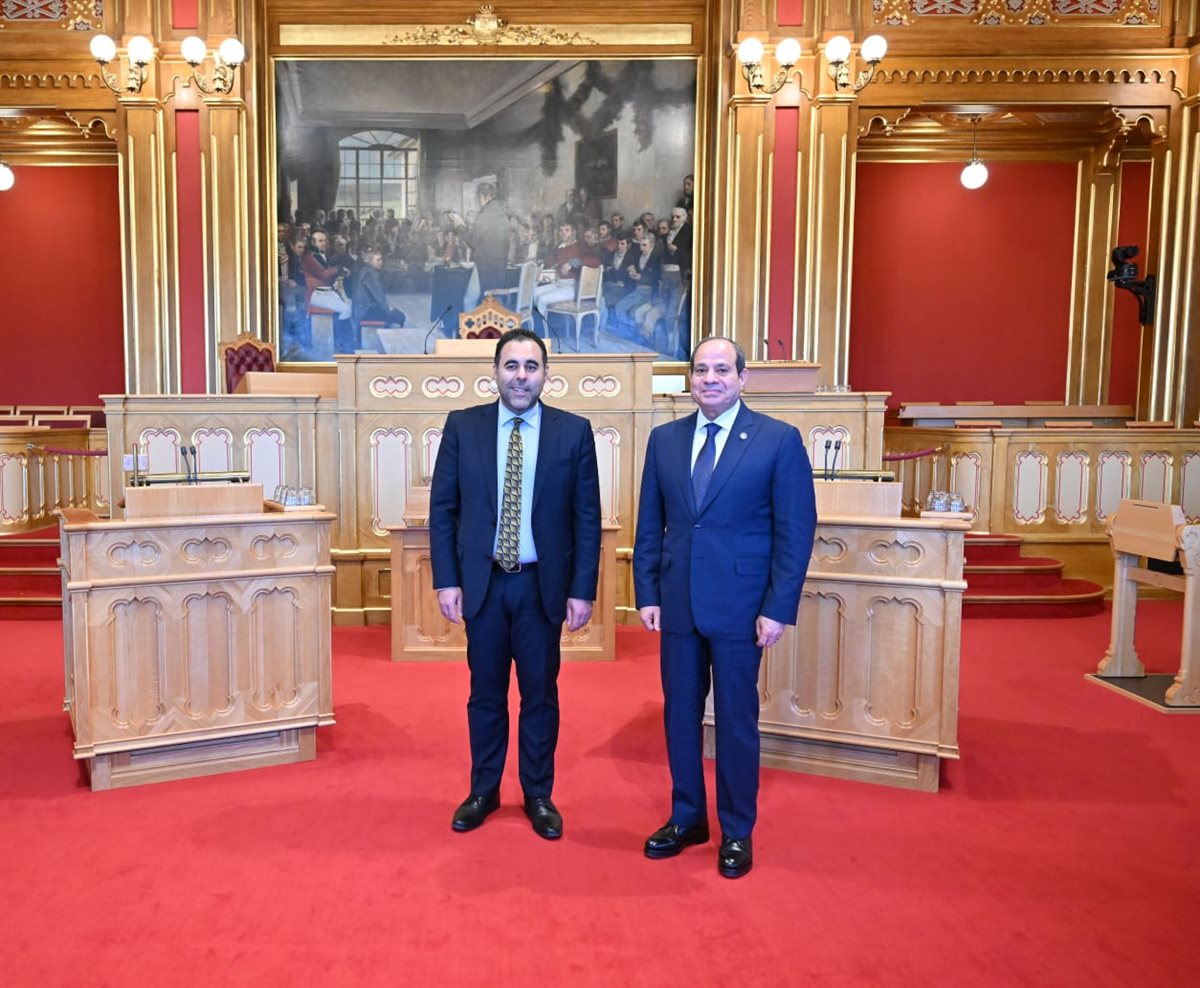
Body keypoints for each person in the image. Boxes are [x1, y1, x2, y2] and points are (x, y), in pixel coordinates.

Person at [633, 336, 817, 879]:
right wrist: (647, 592)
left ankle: (737, 829)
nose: (710, 379)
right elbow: (651, 523)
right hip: (678, 605)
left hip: (742, 608)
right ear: (689, 379)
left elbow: (795, 532)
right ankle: (687, 816)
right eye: (700, 370)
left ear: (742, 378)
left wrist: (778, 607)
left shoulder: (777, 440)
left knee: (737, 721)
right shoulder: (664, 440)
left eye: (721, 370)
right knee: (679, 715)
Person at [429, 328, 602, 841]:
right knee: (484, 694)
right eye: (511, 366)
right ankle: (483, 791)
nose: (520, 376)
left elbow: (586, 518)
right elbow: (444, 510)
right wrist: (446, 580)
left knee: (539, 695)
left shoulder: (574, 432)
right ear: (495, 372)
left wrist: (582, 589)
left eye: (531, 366)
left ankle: (538, 794)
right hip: (483, 585)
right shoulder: (464, 426)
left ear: (546, 374)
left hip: (540, 587)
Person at [470, 182, 511, 294]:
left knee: (483, 297)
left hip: (486, 265)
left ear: (486, 196)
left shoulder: (486, 214)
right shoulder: (502, 213)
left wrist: (460, 227)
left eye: (479, 196)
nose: (478, 201)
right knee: (496, 297)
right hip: (500, 264)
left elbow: (473, 242)